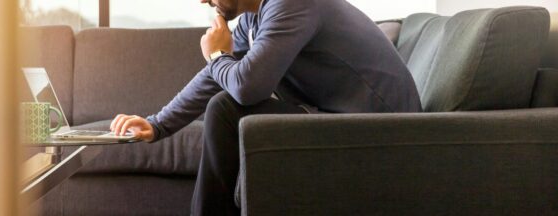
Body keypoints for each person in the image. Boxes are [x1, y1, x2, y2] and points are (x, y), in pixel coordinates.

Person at [110, 0, 422, 215]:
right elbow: (218, 78)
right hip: (340, 121)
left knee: (226, 110)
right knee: (225, 104)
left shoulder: (291, 4)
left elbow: (247, 87)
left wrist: (218, 55)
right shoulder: (254, 18)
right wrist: (158, 124)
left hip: (383, 132)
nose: (203, 0)